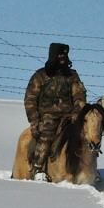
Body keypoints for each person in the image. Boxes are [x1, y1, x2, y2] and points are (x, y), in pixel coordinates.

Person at [24, 43, 87, 181]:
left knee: (86, 135)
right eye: (59, 55)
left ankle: (88, 168)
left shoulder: (72, 76)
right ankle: (38, 168)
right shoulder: (40, 75)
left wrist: (77, 113)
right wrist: (35, 121)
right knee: (47, 135)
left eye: (64, 55)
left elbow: (79, 96)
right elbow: (30, 100)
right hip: (47, 116)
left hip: (69, 116)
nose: (62, 58)